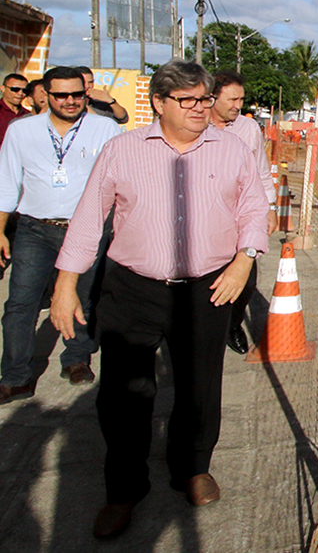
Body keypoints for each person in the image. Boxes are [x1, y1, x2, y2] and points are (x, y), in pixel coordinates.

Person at [49, 60, 268, 539]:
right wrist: (65, 285)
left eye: (205, 99)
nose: (199, 109)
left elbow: (254, 206)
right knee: (125, 393)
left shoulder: (231, 149)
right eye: (187, 101)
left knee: (199, 386)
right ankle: (124, 488)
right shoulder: (122, 150)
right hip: (131, 288)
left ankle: (192, 467)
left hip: (208, 289)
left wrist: (244, 260)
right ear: (159, 103)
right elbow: (89, 219)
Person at [0, 67, 122, 404]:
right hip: (34, 229)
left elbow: (117, 182)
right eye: (61, 95)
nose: (70, 101)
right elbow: (7, 183)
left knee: (83, 299)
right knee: (20, 304)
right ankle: (16, 376)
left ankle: (76, 359)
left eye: (77, 95)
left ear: (86, 94)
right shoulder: (21, 131)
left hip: (87, 229)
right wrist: (0, 231)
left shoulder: (104, 129)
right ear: (44, 95)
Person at [209, 71, 278, 354]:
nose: (238, 105)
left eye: (241, 99)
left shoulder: (247, 129)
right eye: (232, 99)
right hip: (208, 219)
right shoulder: (195, 127)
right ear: (211, 98)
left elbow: (261, 171)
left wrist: (271, 208)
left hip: (241, 217)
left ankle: (232, 324)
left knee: (247, 281)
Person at [0, 72, 28, 145]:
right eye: (15, 89)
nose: (20, 93)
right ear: (2, 88)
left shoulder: (28, 115)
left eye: (24, 91)